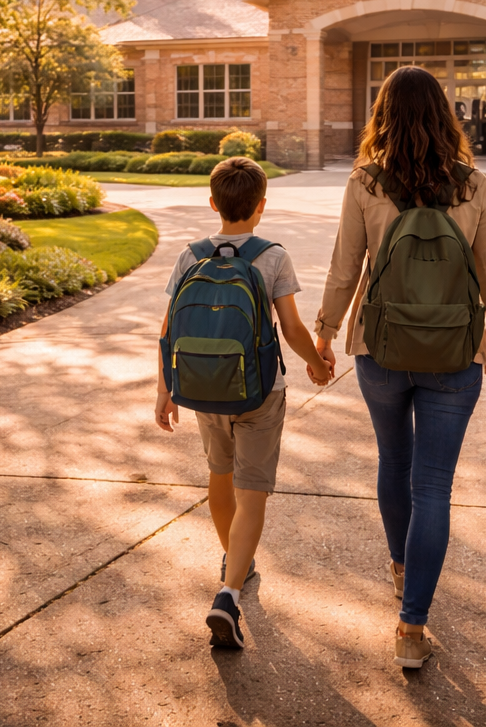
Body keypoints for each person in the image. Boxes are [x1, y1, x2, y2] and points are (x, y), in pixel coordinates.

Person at [313, 65, 486, 670]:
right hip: (455, 351)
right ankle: (411, 626)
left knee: (393, 464)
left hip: (381, 349)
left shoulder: (365, 184)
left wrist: (323, 336)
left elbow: (344, 270)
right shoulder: (472, 185)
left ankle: (402, 567)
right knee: (433, 486)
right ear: (444, 115)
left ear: (383, 115)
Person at [153, 156, 333, 649]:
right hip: (260, 392)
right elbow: (292, 328)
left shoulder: (190, 255)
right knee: (253, 489)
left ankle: (237, 561)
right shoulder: (271, 255)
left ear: (213, 203)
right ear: (260, 207)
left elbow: (170, 329)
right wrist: (316, 362)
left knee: (220, 476)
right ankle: (229, 592)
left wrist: (165, 389)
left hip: (203, 388)